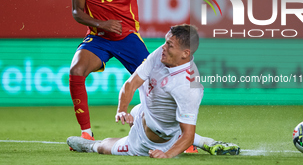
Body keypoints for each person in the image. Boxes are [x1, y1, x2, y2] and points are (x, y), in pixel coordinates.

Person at [67, 24, 240, 158]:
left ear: (185, 53)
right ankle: (205, 142)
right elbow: (131, 84)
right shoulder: (161, 53)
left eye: (169, 45)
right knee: (134, 115)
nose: (163, 47)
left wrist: (166, 154)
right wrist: (121, 110)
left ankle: (89, 145)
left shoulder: (188, 87)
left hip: (148, 141)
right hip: (145, 111)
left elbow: (188, 133)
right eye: (166, 41)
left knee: (106, 147)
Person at [69, 0, 173, 141]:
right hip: (98, 38)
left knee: (157, 84)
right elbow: (77, 13)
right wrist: (102, 24)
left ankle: (176, 135)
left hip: (127, 37)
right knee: (76, 72)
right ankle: (86, 134)